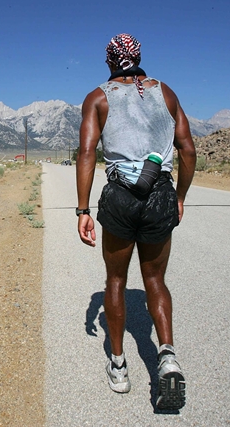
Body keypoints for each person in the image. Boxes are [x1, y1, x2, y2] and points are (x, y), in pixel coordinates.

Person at [75, 33, 195, 410]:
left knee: (115, 279)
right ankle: (168, 355)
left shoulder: (98, 97)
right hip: (159, 192)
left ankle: (119, 364)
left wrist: (83, 210)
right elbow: (188, 150)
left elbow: (87, 152)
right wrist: (179, 197)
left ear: (110, 61)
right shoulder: (167, 93)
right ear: (139, 57)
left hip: (121, 196)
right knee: (155, 279)